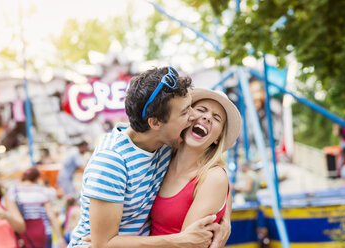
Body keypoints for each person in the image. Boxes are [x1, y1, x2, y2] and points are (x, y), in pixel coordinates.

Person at [69, 67, 230, 248]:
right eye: (185, 112)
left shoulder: (164, 145)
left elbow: (215, 175)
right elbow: (103, 244)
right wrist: (181, 240)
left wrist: (226, 220)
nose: (194, 116)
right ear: (155, 123)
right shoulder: (112, 162)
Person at [150, 88, 241, 235]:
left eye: (216, 118)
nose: (207, 117)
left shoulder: (213, 177)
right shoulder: (162, 157)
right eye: (201, 109)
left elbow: (186, 243)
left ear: (217, 138)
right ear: (186, 117)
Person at [7, 167, 66, 248]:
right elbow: (51, 216)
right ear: (37, 178)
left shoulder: (13, 190)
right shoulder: (41, 191)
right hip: (40, 230)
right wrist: (60, 238)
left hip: (20, 231)